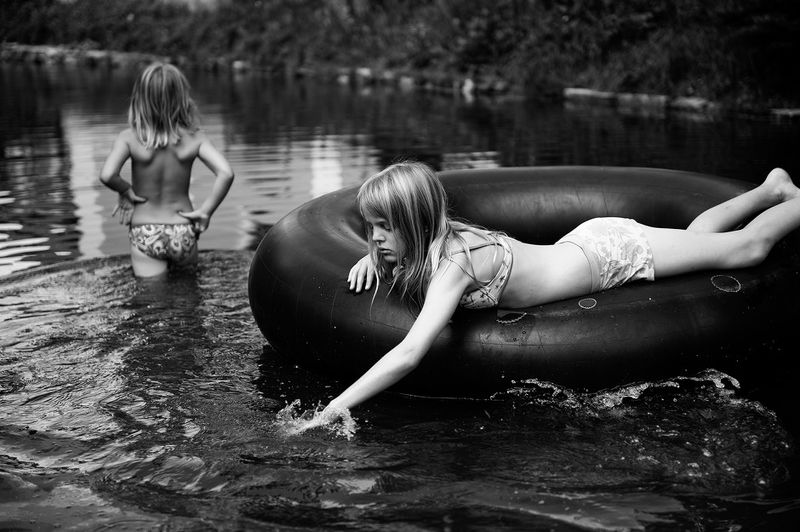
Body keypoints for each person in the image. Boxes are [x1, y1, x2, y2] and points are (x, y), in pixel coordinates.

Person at [298, 161, 800, 430]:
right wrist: (375, 254)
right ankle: (771, 188)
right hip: (579, 246)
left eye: (387, 228)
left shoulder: (456, 263)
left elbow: (409, 353)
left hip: (610, 254)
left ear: (415, 223)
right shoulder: (429, 238)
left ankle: (789, 198)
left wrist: (334, 407)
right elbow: (404, 247)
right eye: (372, 228)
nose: (378, 237)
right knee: (701, 240)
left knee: (748, 250)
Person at [99, 62, 234, 278]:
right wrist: (206, 212)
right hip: (183, 229)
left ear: (140, 99)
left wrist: (125, 190)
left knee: (153, 304)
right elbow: (226, 173)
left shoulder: (129, 138)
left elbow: (107, 175)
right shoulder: (195, 137)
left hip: (146, 231)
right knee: (188, 296)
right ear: (182, 98)